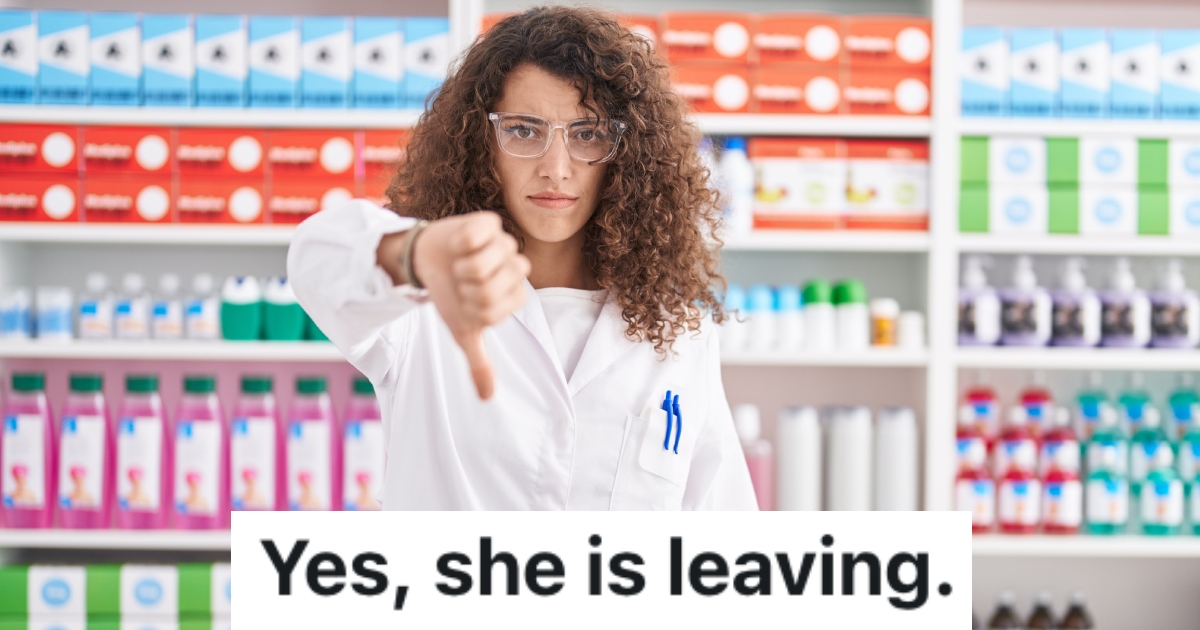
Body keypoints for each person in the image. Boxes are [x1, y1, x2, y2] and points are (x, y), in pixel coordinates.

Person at [288, 6, 756, 510]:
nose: (556, 169)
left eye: (587, 133)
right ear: (480, 143)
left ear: (627, 152)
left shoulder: (679, 331)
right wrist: (416, 254)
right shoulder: (423, 310)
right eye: (524, 131)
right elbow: (317, 260)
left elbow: (723, 537)